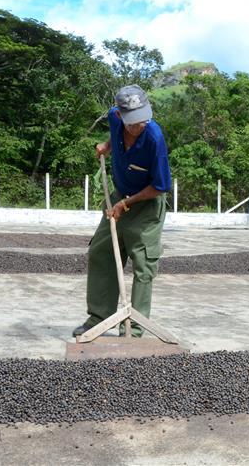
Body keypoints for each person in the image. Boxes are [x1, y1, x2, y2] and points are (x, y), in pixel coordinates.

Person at [72, 84, 171, 338]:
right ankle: (98, 317)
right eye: (132, 122)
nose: (139, 125)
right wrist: (107, 146)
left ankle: (134, 328)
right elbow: (114, 137)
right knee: (101, 251)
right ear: (120, 116)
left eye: (142, 119)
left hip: (146, 206)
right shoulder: (114, 119)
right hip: (118, 197)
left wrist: (126, 204)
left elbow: (160, 187)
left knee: (143, 264)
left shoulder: (154, 137)